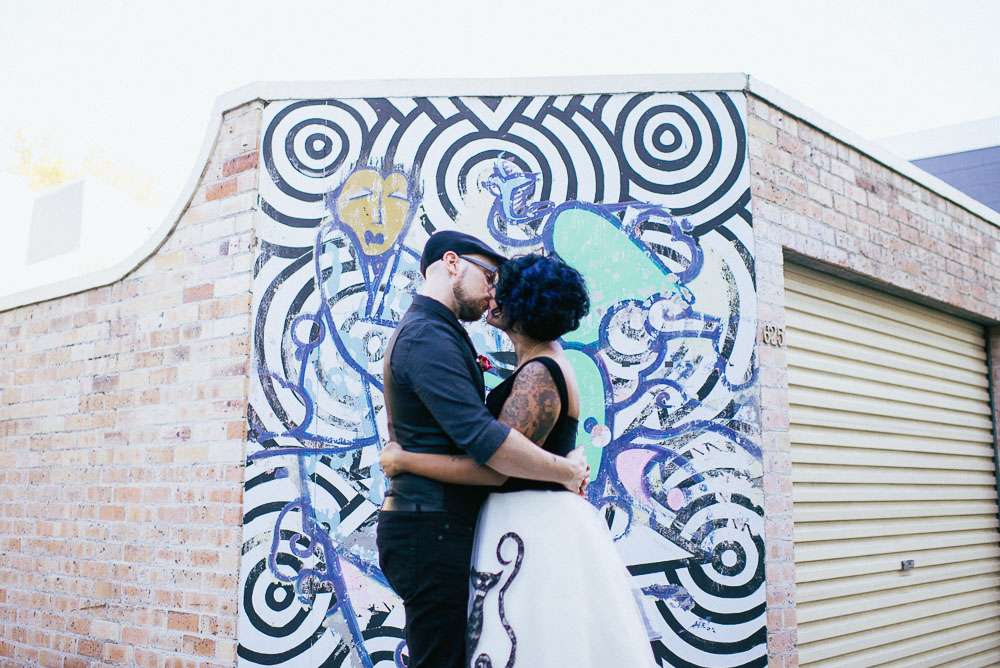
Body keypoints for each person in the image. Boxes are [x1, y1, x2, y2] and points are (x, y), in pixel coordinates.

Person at [381, 253, 656, 667]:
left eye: (501, 289)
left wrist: (405, 461)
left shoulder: (539, 372)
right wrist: (563, 469)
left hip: (530, 530)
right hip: (521, 527)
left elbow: (494, 468)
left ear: (523, 305)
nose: (492, 296)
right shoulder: (537, 365)